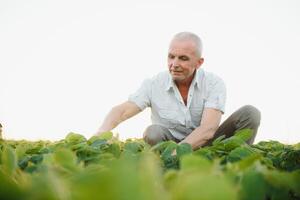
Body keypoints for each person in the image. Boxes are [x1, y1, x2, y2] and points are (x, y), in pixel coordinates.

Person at [96, 32, 261, 150]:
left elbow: (208, 129)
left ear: (199, 62)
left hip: (208, 144)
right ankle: (165, 167)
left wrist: (179, 151)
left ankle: (236, 165)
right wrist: (101, 132)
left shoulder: (213, 83)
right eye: (171, 56)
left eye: (183, 58)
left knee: (250, 113)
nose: (174, 64)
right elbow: (122, 110)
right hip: (168, 146)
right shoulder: (154, 83)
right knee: (153, 132)